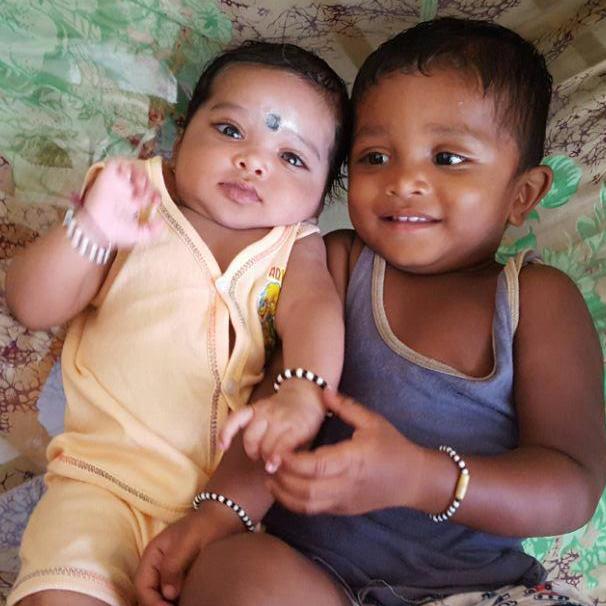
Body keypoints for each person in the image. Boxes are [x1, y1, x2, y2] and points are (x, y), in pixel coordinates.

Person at [135, 17, 606, 606]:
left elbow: (572, 484)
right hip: (309, 575)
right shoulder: (335, 263)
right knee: (229, 571)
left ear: (523, 194)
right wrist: (218, 514)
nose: (404, 181)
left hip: (471, 589)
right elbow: (278, 411)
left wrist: (423, 478)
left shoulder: (536, 300)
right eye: (375, 156)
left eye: (447, 158)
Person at [5, 40, 350, 606]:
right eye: (230, 131)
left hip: (216, 512)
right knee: (61, 592)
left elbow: (316, 314)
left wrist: (303, 393)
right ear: (182, 134)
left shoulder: (294, 247)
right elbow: (30, 305)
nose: (254, 161)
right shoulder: (133, 198)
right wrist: (88, 230)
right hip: (97, 484)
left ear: (320, 196)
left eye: (292, 158)